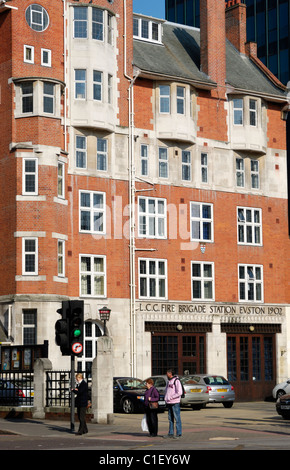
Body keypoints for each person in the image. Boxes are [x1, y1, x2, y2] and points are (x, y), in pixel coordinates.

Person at [163, 369, 182, 439]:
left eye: (167, 373)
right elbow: (167, 391)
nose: (166, 375)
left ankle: (179, 433)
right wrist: (166, 398)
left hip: (175, 402)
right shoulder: (168, 381)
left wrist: (172, 397)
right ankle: (170, 433)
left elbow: (180, 392)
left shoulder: (176, 381)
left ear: (170, 373)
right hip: (169, 402)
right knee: (170, 419)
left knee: (177, 418)